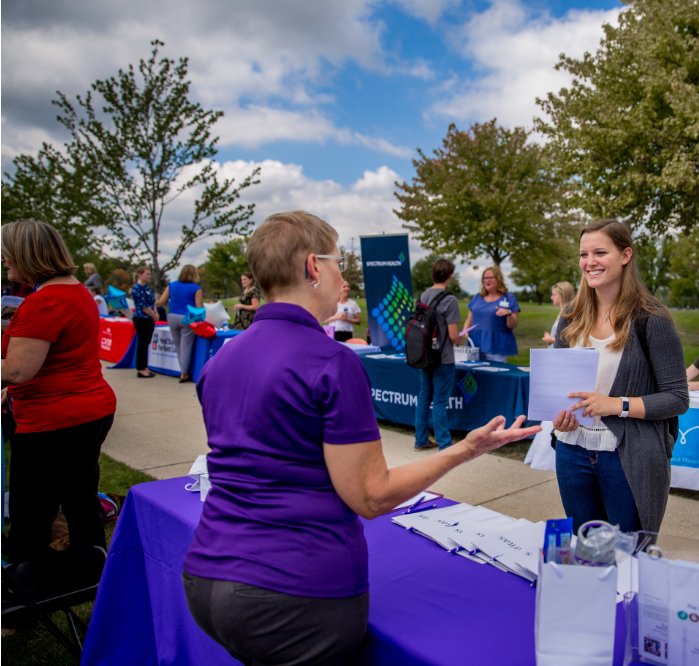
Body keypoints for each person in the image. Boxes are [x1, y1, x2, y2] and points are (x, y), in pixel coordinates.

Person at [181, 210, 538, 664]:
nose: (341, 276)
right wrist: (466, 449)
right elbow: (371, 496)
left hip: (206, 572)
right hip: (294, 589)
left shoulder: (224, 358)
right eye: (337, 263)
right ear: (313, 267)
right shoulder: (330, 361)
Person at [551, 219, 688, 534]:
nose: (590, 262)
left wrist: (616, 405)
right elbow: (559, 389)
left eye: (600, 252)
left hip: (627, 456)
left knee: (629, 556)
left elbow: (677, 398)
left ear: (626, 255)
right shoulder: (570, 318)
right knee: (585, 549)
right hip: (572, 452)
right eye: (584, 254)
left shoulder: (651, 320)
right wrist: (559, 418)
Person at [1, 220, 117, 568]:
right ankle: (92, 571)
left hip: (55, 420)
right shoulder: (75, 290)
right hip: (88, 409)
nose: (4, 261)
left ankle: (20, 599)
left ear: (28, 254)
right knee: (80, 497)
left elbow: (19, 369)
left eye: (8, 254)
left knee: (31, 512)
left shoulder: (45, 302)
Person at [414, 259, 462, 451]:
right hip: (443, 357)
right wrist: (460, 338)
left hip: (424, 356)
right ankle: (444, 443)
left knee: (424, 397)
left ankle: (421, 439)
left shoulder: (423, 296)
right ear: (450, 276)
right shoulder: (450, 300)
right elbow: (452, 335)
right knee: (440, 401)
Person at [462, 266, 520, 363]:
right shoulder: (477, 297)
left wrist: (509, 314)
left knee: (495, 375)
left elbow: (512, 325)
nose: (487, 280)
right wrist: (465, 331)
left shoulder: (508, 297)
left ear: (498, 279)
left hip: (496, 345)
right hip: (475, 345)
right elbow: (469, 319)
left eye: (490, 277)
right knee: (474, 375)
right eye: (485, 278)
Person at [157, 264, 203, 383]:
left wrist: (170, 305)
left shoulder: (172, 285)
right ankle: (184, 373)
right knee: (186, 347)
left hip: (172, 316)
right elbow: (199, 307)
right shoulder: (196, 288)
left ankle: (182, 369)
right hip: (187, 317)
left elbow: (161, 301)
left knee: (178, 346)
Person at [131, 266, 158, 378]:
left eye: (149, 274)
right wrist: (153, 315)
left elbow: (153, 301)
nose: (149, 276)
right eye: (147, 274)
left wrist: (155, 311)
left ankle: (144, 366)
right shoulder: (136, 289)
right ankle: (140, 368)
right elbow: (143, 306)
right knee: (142, 342)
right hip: (141, 318)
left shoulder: (147, 288)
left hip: (149, 318)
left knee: (146, 342)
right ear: (140, 275)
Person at [542, 281, 575, 347]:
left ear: (563, 295)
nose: (551, 297)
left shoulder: (569, 314)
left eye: (554, 295)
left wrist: (550, 339)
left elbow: (571, 340)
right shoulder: (562, 312)